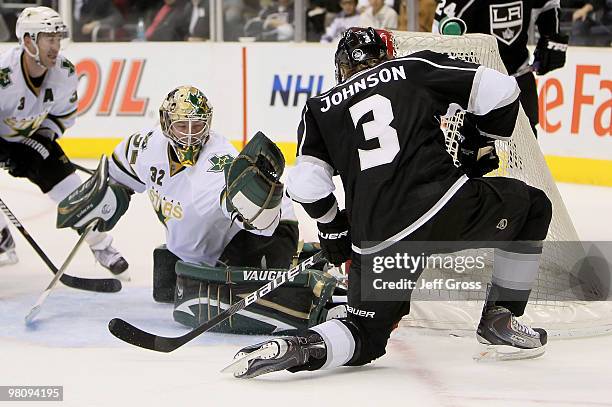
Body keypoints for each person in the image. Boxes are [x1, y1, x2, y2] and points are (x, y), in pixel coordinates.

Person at [225, 27, 553, 379]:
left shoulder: (319, 108)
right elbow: (501, 90)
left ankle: (300, 347)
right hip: (445, 208)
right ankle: (500, 315)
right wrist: (478, 141)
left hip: (377, 238)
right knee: (534, 207)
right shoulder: (414, 67)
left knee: (364, 335)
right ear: (386, 55)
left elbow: (306, 185)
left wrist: (333, 229)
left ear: (340, 70)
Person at [55, 85, 300, 303]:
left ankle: (293, 258)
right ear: (166, 125)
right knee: (166, 292)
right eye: (183, 126)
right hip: (197, 249)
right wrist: (105, 200)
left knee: (227, 300)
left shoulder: (217, 162)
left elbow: (260, 222)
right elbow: (120, 172)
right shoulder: (145, 147)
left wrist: (251, 204)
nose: (192, 134)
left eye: (199, 125)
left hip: (266, 233)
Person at [0, 6, 128, 275]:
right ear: (28, 41)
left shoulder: (64, 72)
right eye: (49, 38)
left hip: (32, 136)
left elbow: (62, 115)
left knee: (68, 186)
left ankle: (101, 245)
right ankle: (2, 237)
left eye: (58, 39)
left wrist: (41, 143)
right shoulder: (4, 76)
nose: (56, 46)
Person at [432, 0, 569, 137]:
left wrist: (551, 34)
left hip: (518, 76)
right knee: (471, 149)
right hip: (475, 84)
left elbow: (549, 5)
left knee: (527, 142)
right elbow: (439, 40)